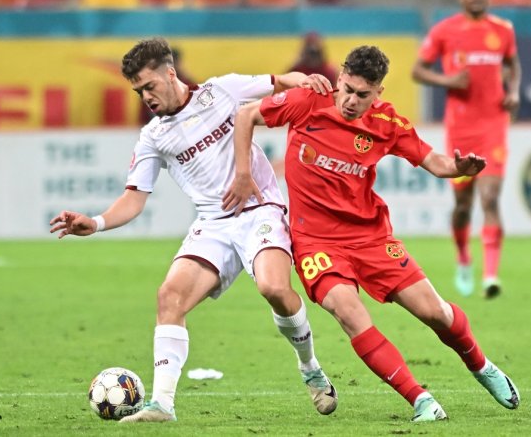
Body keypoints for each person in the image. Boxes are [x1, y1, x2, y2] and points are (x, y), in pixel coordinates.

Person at [223, 45, 520, 422]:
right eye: (346, 88)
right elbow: (246, 114)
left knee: (437, 313)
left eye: (362, 95)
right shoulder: (307, 102)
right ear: (340, 77)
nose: (350, 100)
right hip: (316, 243)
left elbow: (436, 162)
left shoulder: (388, 123)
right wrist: (244, 174)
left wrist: (458, 166)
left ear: (378, 92)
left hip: (371, 238)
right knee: (349, 313)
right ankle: (420, 400)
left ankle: (481, 366)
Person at [49, 37, 338, 423]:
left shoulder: (223, 90)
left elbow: (285, 81)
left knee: (274, 289)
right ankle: (162, 405)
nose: (145, 97)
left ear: (170, 73)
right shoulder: (153, 136)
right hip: (213, 224)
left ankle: (310, 369)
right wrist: (97, 222)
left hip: (260, 210)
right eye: (138, 91)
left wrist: (311, 80)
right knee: (169, 296)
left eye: (149, 86)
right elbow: (134, 199)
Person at [411, 0, 522, 299]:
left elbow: (513, 65)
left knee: (490, 198)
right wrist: (447, 82)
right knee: (462, 205)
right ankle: (463, 259)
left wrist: (513, 90)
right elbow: (417, 70)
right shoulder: (445, 31)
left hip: (493, 125)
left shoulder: (503, 30)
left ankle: (490, 275)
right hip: (460, 128)